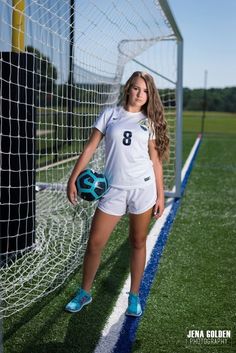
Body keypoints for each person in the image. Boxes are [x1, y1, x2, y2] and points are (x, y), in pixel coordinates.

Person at [65, 71, 169, 317]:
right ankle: (84, 292)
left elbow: (155, 162)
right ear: (127, 88)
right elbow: (90, 147)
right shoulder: (109, 115)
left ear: (149, 94)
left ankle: (134, 296)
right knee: (95, 243)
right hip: (112, 190)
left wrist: (160, 195)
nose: (140, 94)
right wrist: (73, 178)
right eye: (135, 88)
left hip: (142, 190)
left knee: (137, 241)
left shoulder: (150, 122)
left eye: (145, 91)